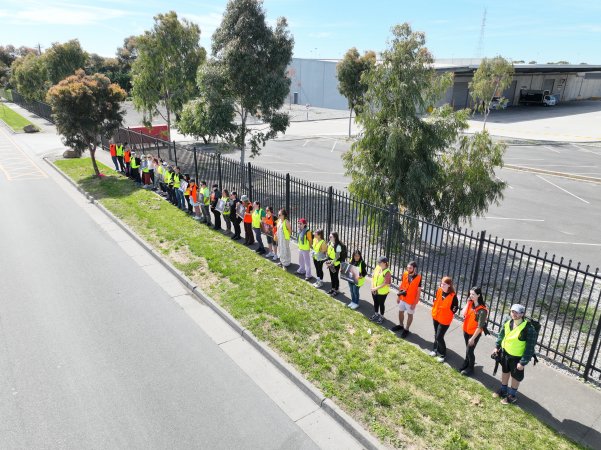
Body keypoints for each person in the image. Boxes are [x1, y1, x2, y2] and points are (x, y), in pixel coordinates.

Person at [491, 304, 536, 405]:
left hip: (517, 358)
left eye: (517, 312)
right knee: (505, 371)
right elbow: (501, 334)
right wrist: (497, 347)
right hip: (505, 353)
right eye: (512, 311)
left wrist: (523, 362)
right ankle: (503, 390)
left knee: (515, 376)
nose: (514, 314)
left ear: (522, 314)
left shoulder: (529, 329)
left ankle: (512, 395)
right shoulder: (508, 321)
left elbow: (530, 348)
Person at [459, 287, 489, 376]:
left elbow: (480, 327)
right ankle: (466, 362)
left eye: (473, 294)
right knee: (468, 350)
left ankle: (471, 368)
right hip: (466, 330)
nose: (471, 296)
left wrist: (472, 338)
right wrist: (468, 303)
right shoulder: (470, 303)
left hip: (474, 334)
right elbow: (463, 313)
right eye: (470, 293)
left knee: (470, 351)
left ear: (478, 295)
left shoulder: (482, 310)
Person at [430, 276, 458, 363]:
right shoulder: (439, 290)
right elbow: (436, 300)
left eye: (444, 284)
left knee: (439, 336)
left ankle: (443, 354)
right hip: (436, 316)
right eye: (441, 283)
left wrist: (447, 312)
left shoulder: (453, 296)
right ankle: (435, 349)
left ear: (449, 285)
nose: (442, 285)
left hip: (445, 320)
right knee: (436, 334)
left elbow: (455, 309)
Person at [391, 261, 422, 338]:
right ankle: (401, 325)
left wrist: (414, 303)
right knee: (400, 312)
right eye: (407, 267)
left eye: (410, 268)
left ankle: (406, 329)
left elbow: (418, 292)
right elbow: (401, 286)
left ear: (414, 269)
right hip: (402, 298)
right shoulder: (405, 274)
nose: (408, 269)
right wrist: (398, 296)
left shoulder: (418, 278)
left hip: (411, 301)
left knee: (410, 315)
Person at [370, 256, 391, 325]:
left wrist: (375, 289)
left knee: (381, 304)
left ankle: (381, 316)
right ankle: (376, 314)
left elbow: (385, 283)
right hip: (374, 289)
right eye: (378, 262)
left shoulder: (387, 272)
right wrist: (372, 286)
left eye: (380, 262)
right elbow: (373, 276)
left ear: (385, 263)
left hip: (382, 292)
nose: (378, 263)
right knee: (375, 302)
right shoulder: (377, 267)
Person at [325, 232, 343, 297]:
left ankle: (336, 289)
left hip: (335, 264)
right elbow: (328, 252)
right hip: (330, 262)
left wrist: (331, 263)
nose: (329, 238)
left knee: (335, 277)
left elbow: (337, 256)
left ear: (335, 237)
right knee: (331, 276)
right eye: (329, 236)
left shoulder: (338, 246)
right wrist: (328, 261)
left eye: (331, 237)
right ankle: (333, 288)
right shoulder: (330, 243)